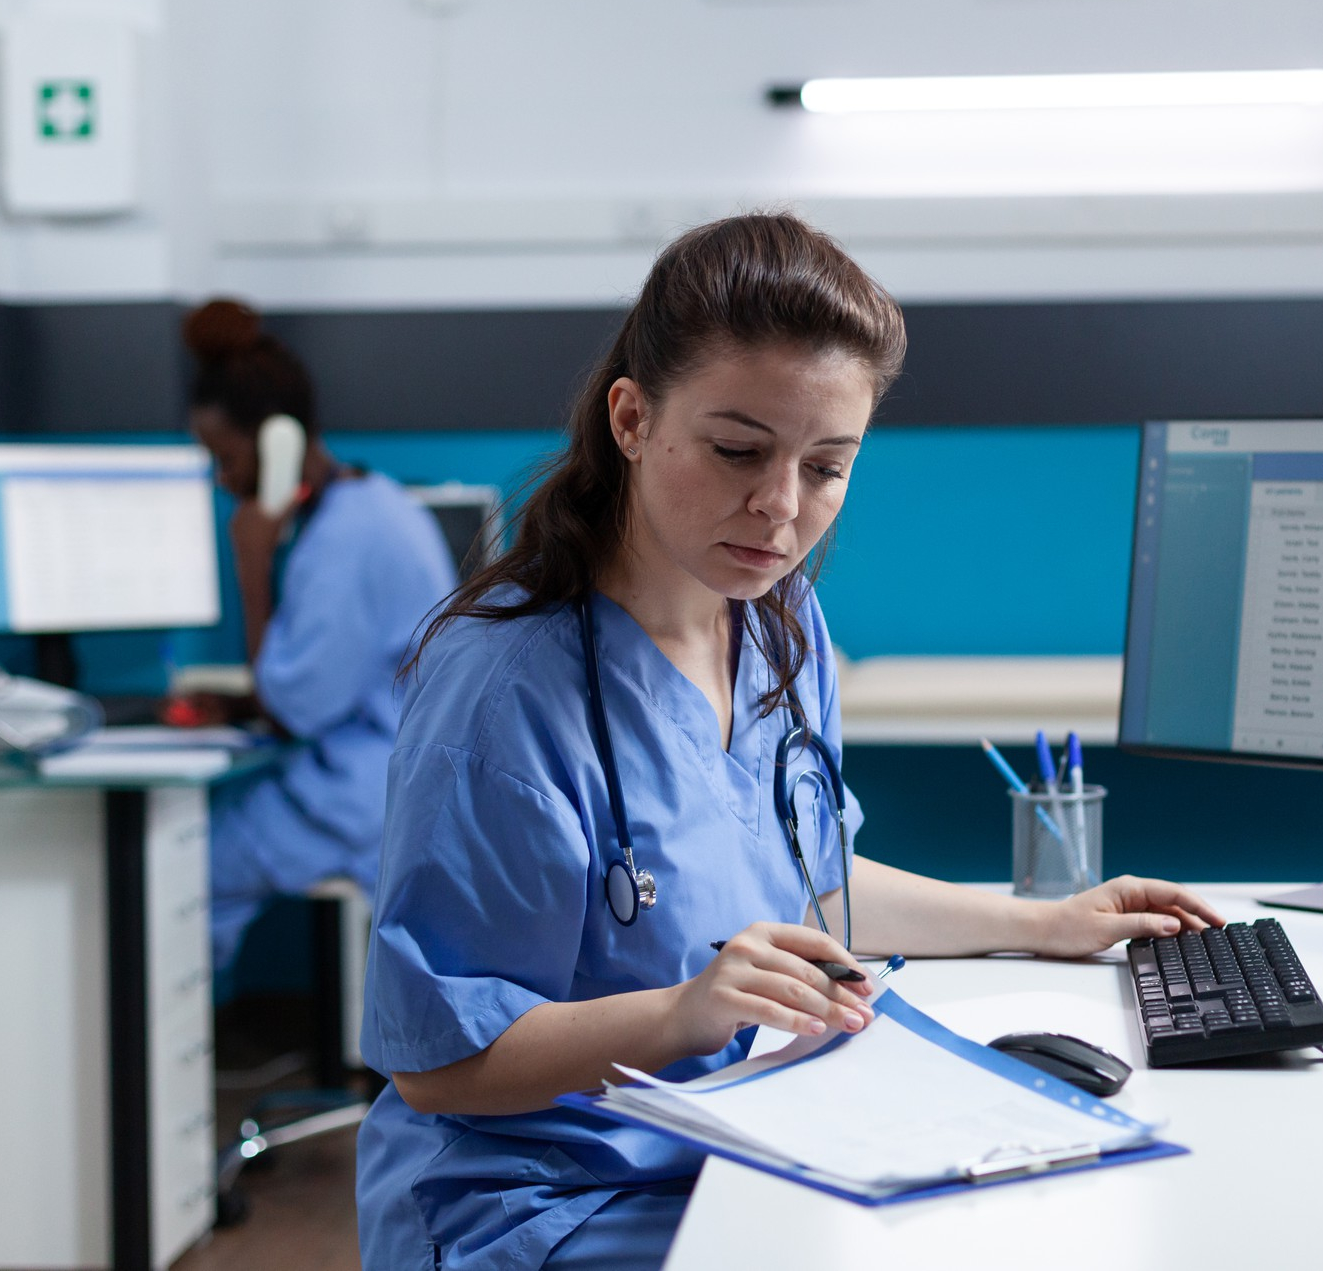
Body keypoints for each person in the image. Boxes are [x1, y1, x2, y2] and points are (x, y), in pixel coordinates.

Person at [357, 215, 1223, 1269]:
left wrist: (1041, 922)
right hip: (546, 1198)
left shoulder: (775, 625)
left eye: (826, 466)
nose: (778, 508)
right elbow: (439, 1066)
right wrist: (682, 1012)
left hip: (740, 1140)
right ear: (631, 418)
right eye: (736, 450)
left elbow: (804, 885)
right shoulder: (504, 693)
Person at [180, 299, 462, 972]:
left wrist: (252, 562)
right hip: (391, 775)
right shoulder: (377, 502)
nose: (224, 482)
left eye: (225, 458)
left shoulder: (339, 542)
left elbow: (292, 707)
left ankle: (163, 1068)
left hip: (365, 795)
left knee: (179, 872)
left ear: (277, 440)